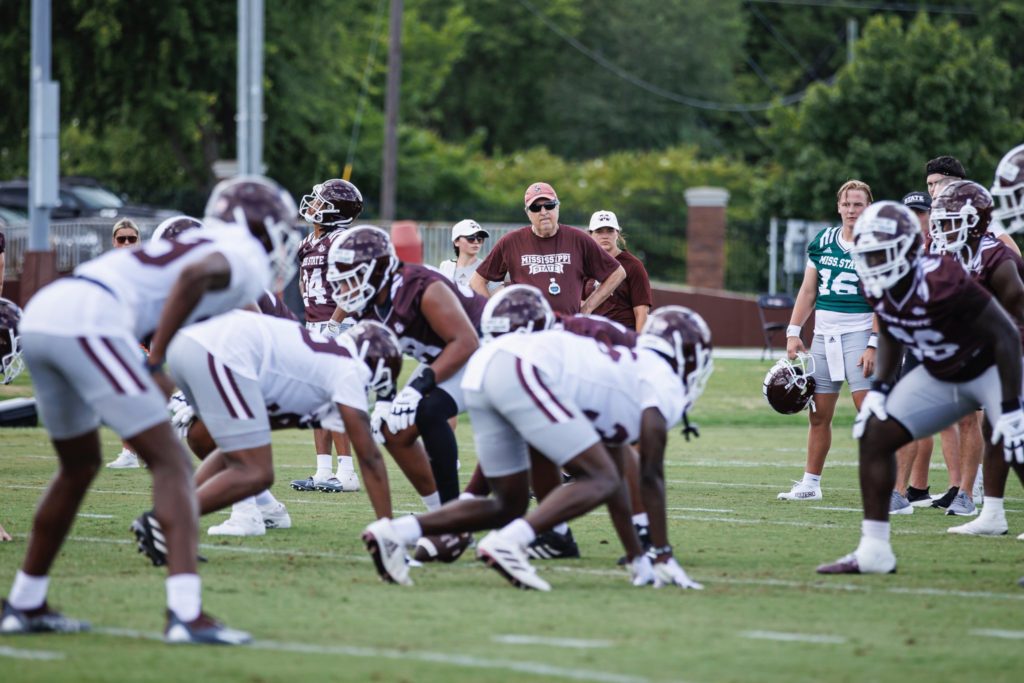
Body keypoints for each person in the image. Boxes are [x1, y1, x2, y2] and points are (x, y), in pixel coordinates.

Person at [1, 175, 299, 643]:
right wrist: (156, 358)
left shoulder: (197, 239)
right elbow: (194, 277)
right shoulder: (239, 255)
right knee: (174, 463)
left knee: (78, 467)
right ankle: (186, 613)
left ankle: (23, 603)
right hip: (91, 319)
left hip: (49, 312)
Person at [360, 305, 710, 591]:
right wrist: (663, 555)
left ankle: (394, 533)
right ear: (692, 356)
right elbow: (648, 473)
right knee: (598, 476)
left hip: (486, 366)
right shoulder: (662, 381)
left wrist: (639, 559)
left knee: (506, 503)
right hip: (522, 367)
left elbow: (618, 475)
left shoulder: (624, 372)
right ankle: (509, 543)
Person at [817, 200, 1024, 575]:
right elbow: (893, 329)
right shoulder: (873, 280)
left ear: (907, 249)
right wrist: (880, 389)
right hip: (942, 374)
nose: (873, 261)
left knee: (1016, 439)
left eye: (881, 252)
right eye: (868, 253)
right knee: (875, 433)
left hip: (989, 367)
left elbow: (1007, 335)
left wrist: (1010, 407)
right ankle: (874, 550)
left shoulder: (943, 277)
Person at [165, 313, 401, 537]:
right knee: (255, 469)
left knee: (209, 439)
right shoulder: (345, 370)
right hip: (218, 352)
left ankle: (264, 510)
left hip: (198, 347)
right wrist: (387, 530)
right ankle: (172, 519)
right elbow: (370, 458)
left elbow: (241, 440)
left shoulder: (317, 371)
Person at [326, 225, 484, 508]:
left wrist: (419, 387)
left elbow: (465, 341)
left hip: (488, 352)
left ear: (375, 270)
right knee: (393, 429)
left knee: (429, 410)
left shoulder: (420, 285)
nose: (345, 289)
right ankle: (439, 510)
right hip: (449, 358)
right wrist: (385, 401)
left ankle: (451, 518)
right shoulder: (372, 301)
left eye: (351, 278)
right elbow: (385, 354)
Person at [926, 181, 1024, 531]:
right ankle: (994, 514)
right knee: (994, 429)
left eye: (952, 220)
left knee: (1013, 433)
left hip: (1013, 352)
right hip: (988, 353)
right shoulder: (952, 254)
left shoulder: (998, 257)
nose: (943, 227)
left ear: (975, 221)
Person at [778, 180, 878, 503]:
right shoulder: (823, 241)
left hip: (860, 332)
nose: (851, 210)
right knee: (819, 413)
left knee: (869, 411)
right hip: (824, 335)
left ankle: (887, 487)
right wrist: (794, 331)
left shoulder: (877, 244)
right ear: (838, 206)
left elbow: (883, 299)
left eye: (858, 204)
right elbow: (809, 291)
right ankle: (811, 483)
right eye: (847, 204)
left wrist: (874, 342)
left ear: (868, 207)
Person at [291, 178, 365, 494]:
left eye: (321, 201)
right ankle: (323, 470)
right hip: (315, 326)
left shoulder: (342, 240)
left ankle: (346, 473)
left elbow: (354, 287)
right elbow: (304, 285)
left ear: (335, 211)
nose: (314, 205)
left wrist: (334, 324)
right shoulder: (307, 242)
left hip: (338, 327)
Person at [469, 182, 626, 315]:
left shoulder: (578, 239)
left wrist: (588, 308)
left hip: (567, 328)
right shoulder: (511, 241)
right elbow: (477, 280)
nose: (543, 212)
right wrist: (495, 314)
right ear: (528, 213)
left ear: (557, 207)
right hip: (527, 329)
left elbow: (617, 273)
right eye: (536, 208)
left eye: (549, 205)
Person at [105, 217, 153, 469]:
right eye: (121, 239)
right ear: (113, 241)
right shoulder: (107, 269)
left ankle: (131, 453)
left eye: (131, 239)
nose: (126, 243)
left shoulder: (145, 268)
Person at [583, 210, 652, 332]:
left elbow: (641, 312)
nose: (605, 236)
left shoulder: (633, 265)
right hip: (593, 336)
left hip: (623, 335)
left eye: (610, 231)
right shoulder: (585, 264)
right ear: (590, 234)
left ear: (617, 233)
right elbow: (579, 305)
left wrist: (638, 344)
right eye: (599, 231)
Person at [438, 219, 501, 295]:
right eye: (470, 238)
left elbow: (498, 300)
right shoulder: (445, 266)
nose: (476, 242)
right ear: (456, 242)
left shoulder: (488, 269)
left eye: (480, 239)